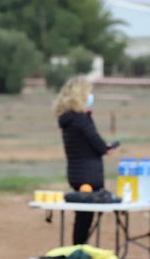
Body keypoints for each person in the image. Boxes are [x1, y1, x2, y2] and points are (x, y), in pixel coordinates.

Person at [52, 76, 114, 244]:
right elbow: (98, 145)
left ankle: (79, 248)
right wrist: (107, 147)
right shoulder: (81, 120)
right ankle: (78, 250)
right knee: (84, 217)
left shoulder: (68, 119)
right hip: (88, 175)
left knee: (82, 216)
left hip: (76, 174)